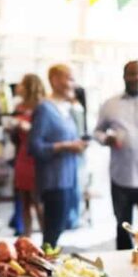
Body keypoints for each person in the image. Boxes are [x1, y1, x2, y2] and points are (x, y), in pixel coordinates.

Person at [95, 61, 138, 249]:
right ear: (124, 76)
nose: (136, 78)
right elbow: (97, 132)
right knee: (122, 226)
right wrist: (105, 138)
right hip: (121, 178)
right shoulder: (110, 104)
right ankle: (123, 271)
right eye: (132, 74)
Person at [29, 64, 87, 247]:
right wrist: (65, 146)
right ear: (54, 80)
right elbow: (34, 147)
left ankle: (48, 266)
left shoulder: (66, 108)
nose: (73, 83)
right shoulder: (45, 109)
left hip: (68, 178)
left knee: (60, 227)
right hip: (53, 181)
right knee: (52, 231)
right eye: (68, 78)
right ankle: (44, 270)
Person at [13, 74, 46, 236]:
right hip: (22, 156)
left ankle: (48, 237)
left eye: (21, 84)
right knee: (24, 200)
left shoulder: (42, 106)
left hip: (36, 159)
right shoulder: (19, 106)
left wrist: (29, 128)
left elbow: (45, 132)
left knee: (38, 200)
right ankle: (26, 236)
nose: (18, 87)